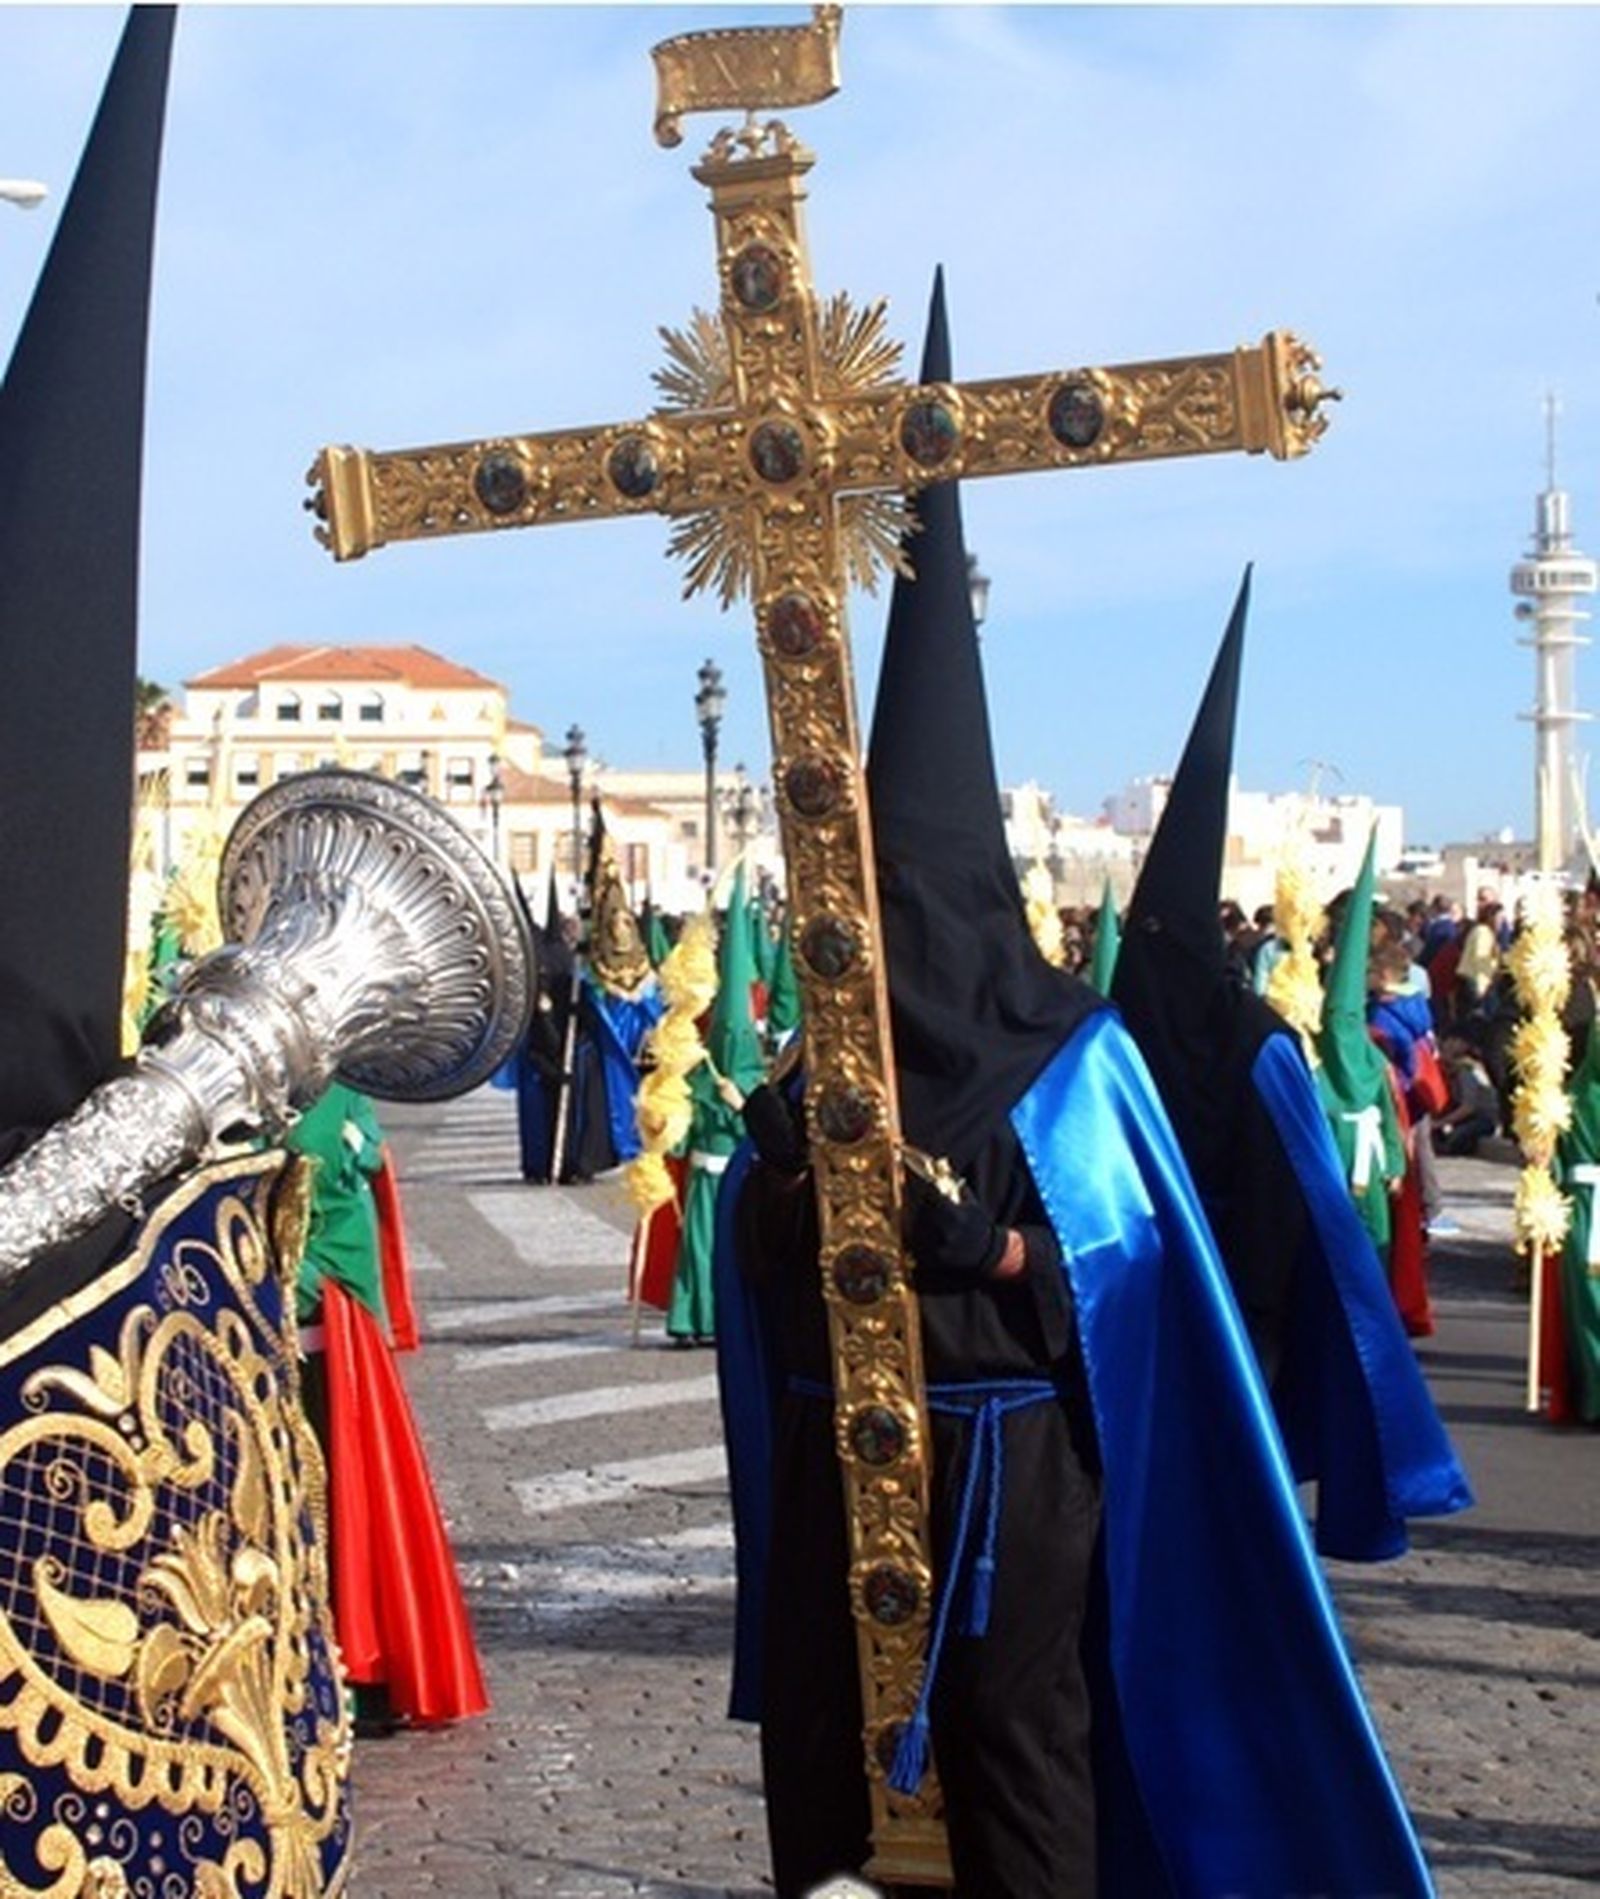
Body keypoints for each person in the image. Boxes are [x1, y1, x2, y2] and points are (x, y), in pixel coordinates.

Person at [716, 274, 1440, 1899]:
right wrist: (783, 1195)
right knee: (834, 1767)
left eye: (915, 901)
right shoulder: (818, 1055)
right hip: (847, 1449)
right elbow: (751, 1277)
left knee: (1024, 1759)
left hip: (1018, 1470)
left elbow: (1118, 1287)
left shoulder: (1075, 1054)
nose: (888, 937)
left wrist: (977, 1250)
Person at [1111, 571, 1468, 1551]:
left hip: (1225, 1315)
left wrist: (1255, 1304)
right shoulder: (1120, 1039)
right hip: (1159, 1312)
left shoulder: (1249, 1045)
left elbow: (1284, 1201)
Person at [288, 1082, 488, 1731]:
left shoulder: (328, 1090)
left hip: (320, 1317)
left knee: (339, 1493)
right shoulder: (343, 1087)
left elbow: (325, 1168)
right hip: (312, 1305)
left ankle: (351, 1661)